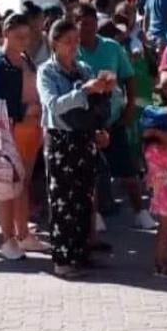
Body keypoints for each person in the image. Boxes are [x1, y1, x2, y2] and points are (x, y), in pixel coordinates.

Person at [37, 19, 113, 279]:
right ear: (54, 43)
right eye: (67, 42)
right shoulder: (47, 72)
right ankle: (62, 258)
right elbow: (52, 104)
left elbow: (94, 106)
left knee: (84, 199)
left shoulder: (83, 68)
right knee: (62, 201)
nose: (73, 47)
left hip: (84, 138)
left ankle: (81, 251)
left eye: (76, 41)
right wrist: (83, 91)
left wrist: (103, 93)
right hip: (61, 139)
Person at [75, 5, 153, 230]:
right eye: (80, 22)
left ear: (95, 24)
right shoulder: (71, 50)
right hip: (83, 121)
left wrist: (129, 108)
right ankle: (94, 217)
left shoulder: (112, 47)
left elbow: (128, 77)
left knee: (127, 171)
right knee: (89, 174)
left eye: (88, 23)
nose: (84, 27)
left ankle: (140, 212)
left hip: (113, 120)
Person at [0, 13, 48, 259]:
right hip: (10, 132)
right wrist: (23, 110)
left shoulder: (26, 59)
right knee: (6, 186)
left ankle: (23, 234)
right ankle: (7, 240)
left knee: (22, 185)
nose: (23, 41)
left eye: (26, 37)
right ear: (5, 33)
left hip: (31, 131)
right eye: (18, 36)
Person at [141, 107, 167, 278]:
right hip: (164, 195)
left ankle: (164, 256)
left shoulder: (159, 146)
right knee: (164, 231)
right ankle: (160, 262)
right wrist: (157, 131)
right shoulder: (155, 149)